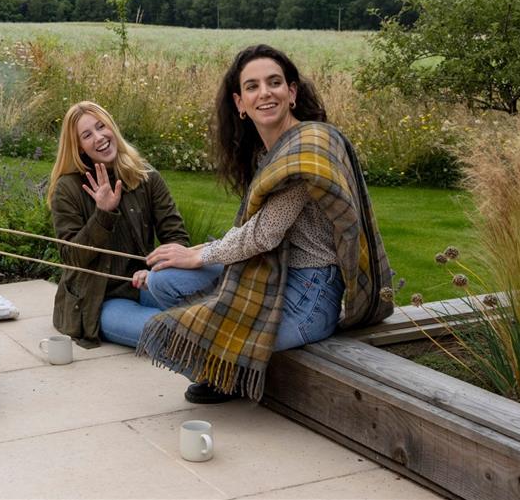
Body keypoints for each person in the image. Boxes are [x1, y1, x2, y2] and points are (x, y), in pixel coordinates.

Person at [139, 44, 394, 403]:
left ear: (291, 92)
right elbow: (254, 230)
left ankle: (228, 373)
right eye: (252, 86)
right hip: (270, 271)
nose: (265, 93)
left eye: (274, 82)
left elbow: (266, 232)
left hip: (312, 293)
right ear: (240, 104)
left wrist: (199, 256)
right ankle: (229, 367)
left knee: (171, 337)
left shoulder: (310, 145)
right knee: (163, 281)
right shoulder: (266, 152)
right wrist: (194, 251)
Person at [47, 101, 222, 349]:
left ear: (112, 128)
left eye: (101, 126)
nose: (99, 137)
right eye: (87, 135)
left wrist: (157, 272)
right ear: (80, 148)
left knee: (217, 285)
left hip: (144, 284)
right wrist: (103, 214)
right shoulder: (68, 188)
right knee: (172, 333)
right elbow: (72, 257)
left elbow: (176, 238)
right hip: (102, 300)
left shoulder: (146, 176)